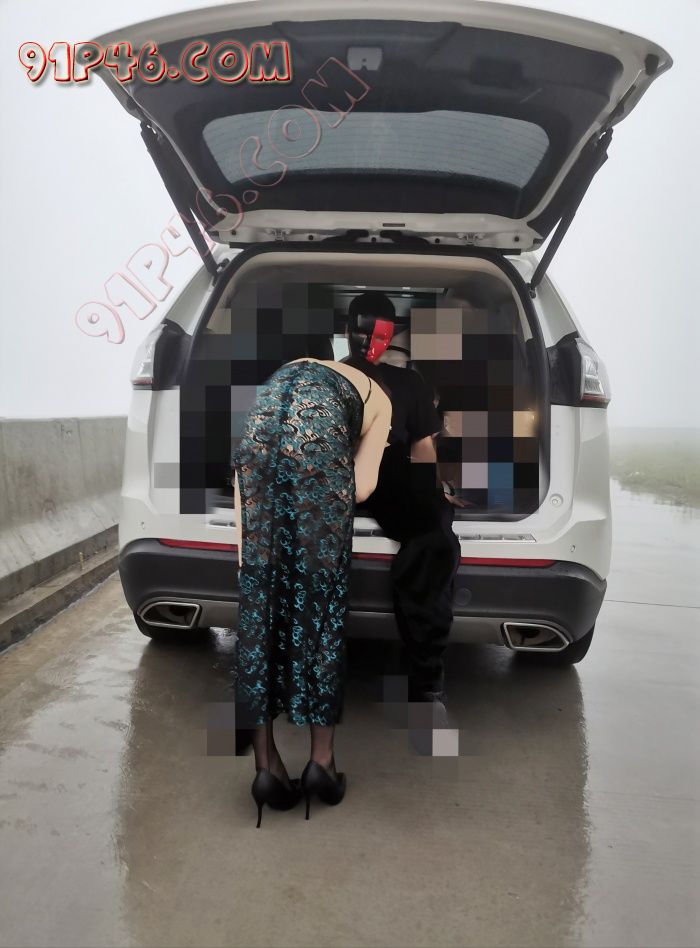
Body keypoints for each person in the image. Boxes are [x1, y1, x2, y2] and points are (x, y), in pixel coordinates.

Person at [232, 313, 393, 826]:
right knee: (319, 610)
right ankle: (321, 762)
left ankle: (266, 769)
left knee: (259, 612)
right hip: (320, 456)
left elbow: (247, 471)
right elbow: (362, 488)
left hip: (258, 441)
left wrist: (246, 553)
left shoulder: (279, 378)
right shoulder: (377, 397)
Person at [342, 292, 464, 731]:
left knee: (434, 538)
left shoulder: (409, 384)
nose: (367, 341)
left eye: (377, 331)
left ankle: (426, 684)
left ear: (391, 335)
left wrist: (435, 490)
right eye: (360, 330)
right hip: (333, 468)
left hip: (390, 471)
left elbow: (423, 447)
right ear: (346, 332)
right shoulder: (328, 377)